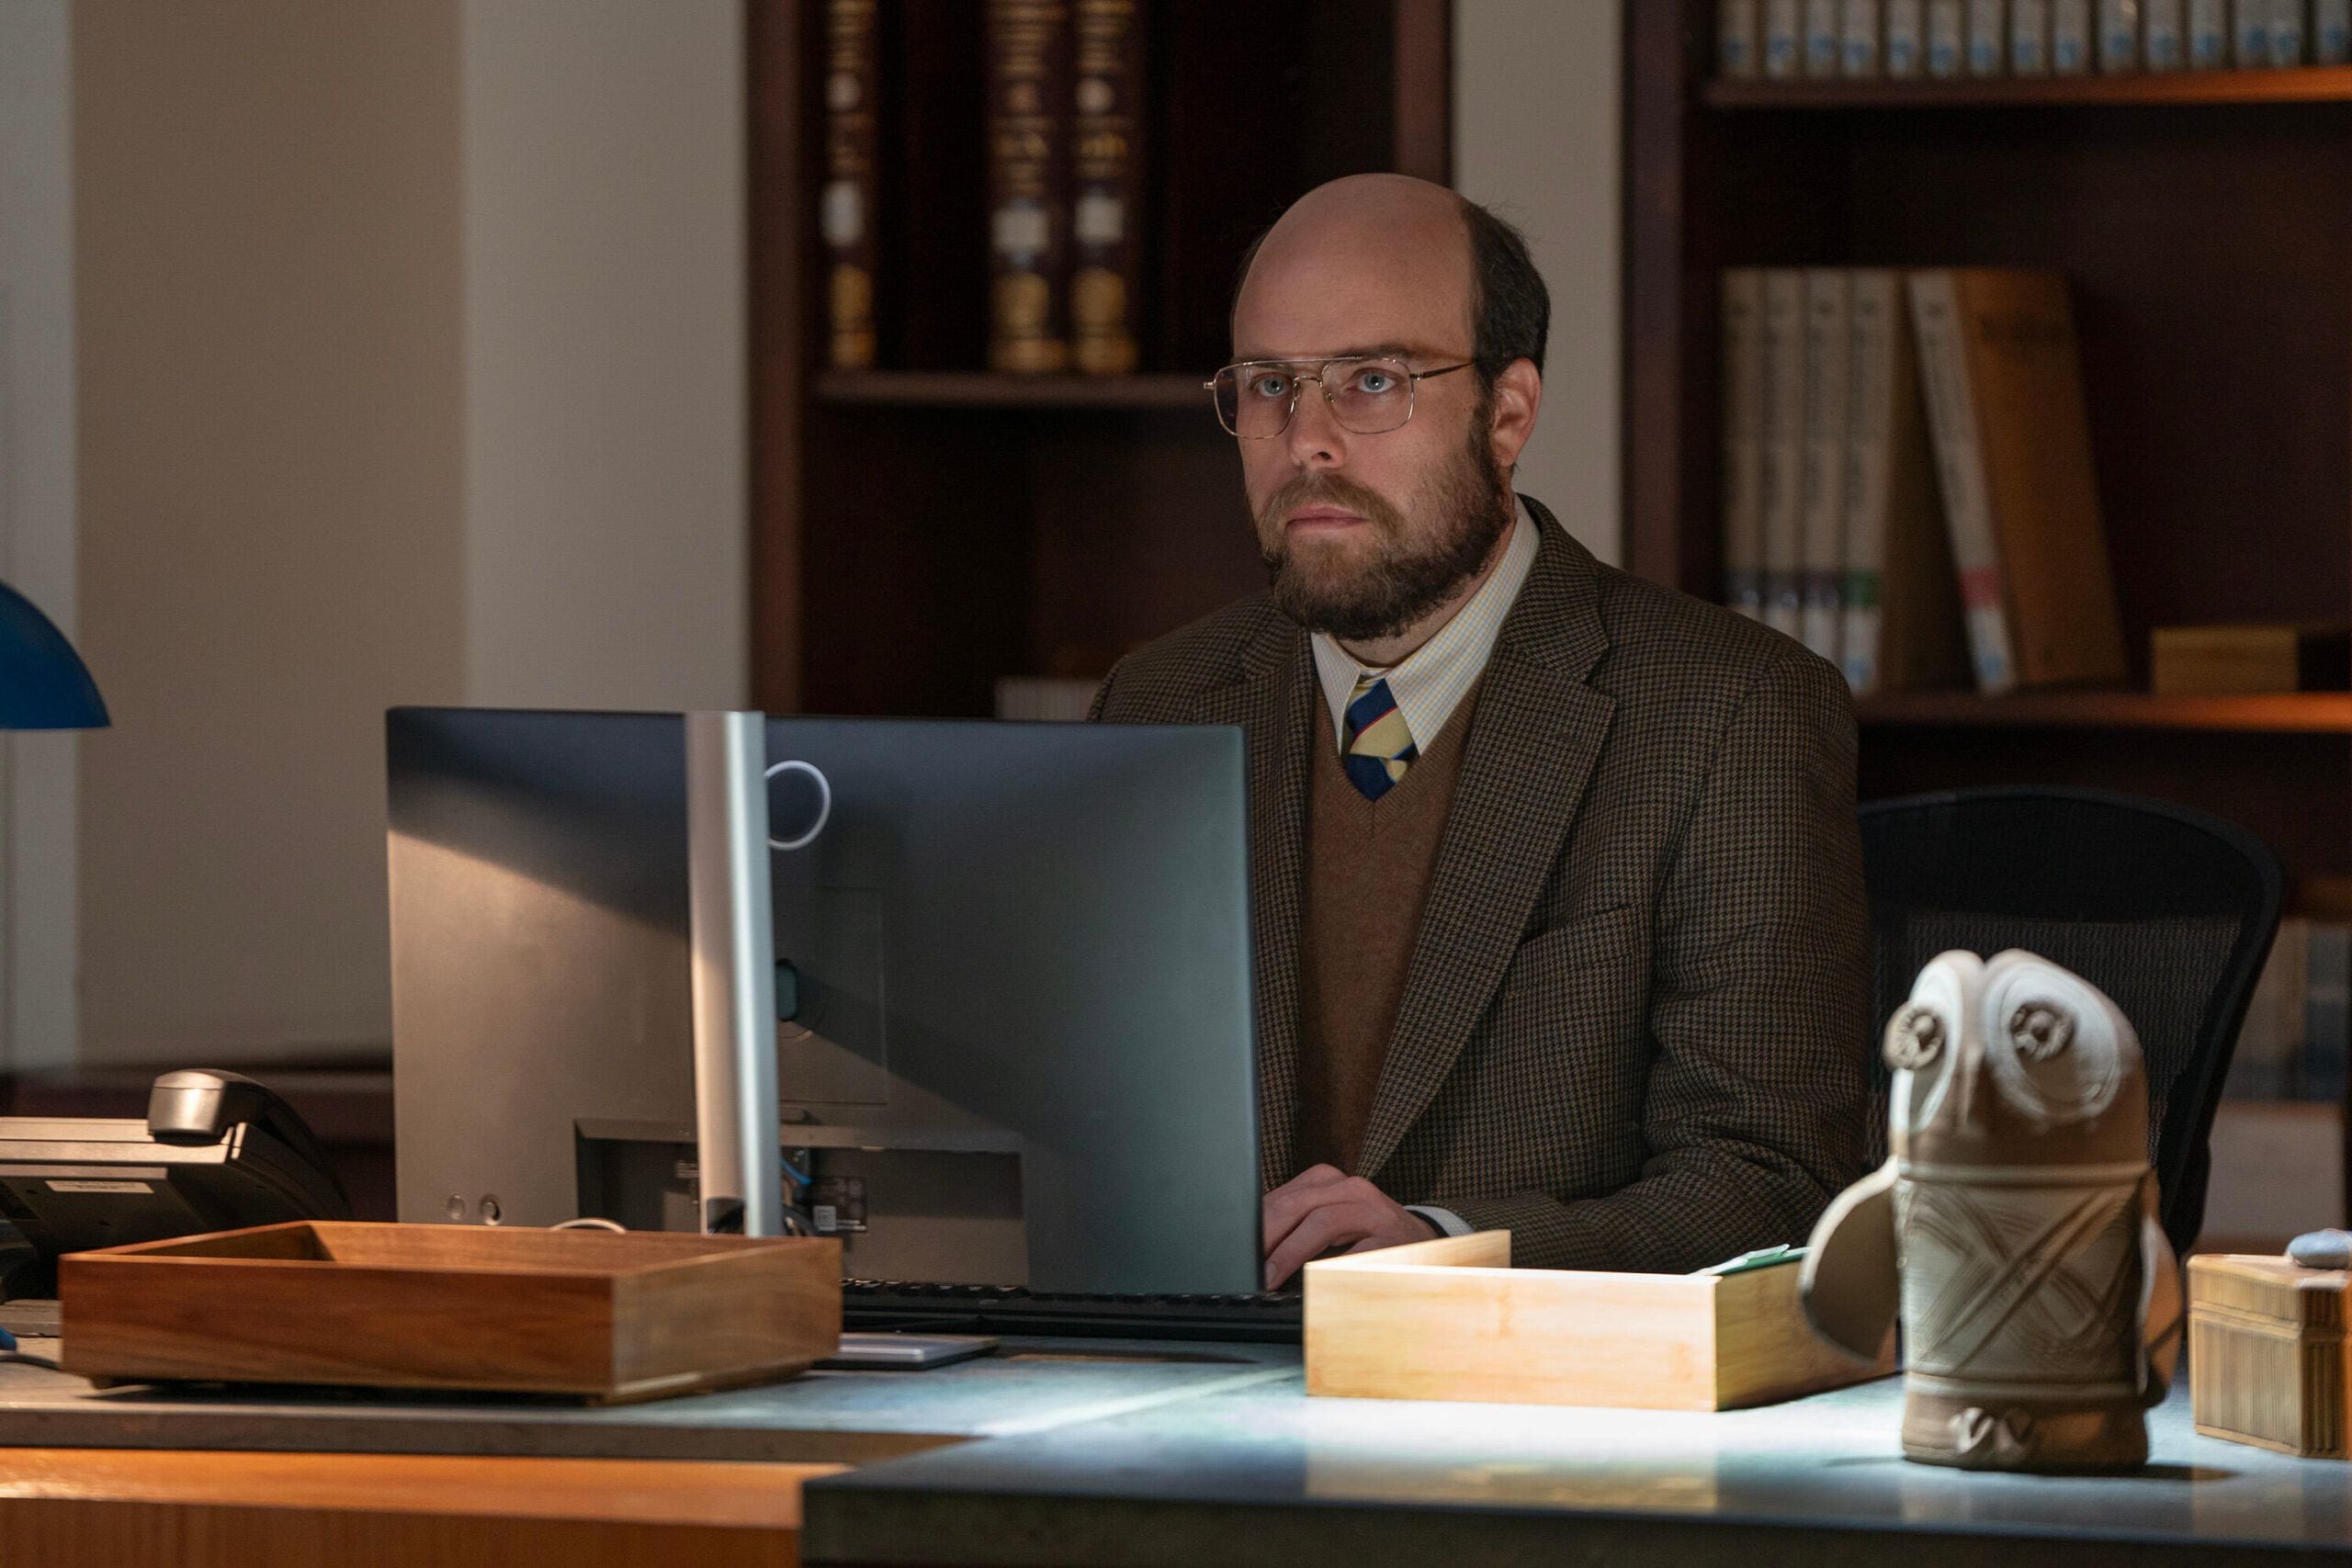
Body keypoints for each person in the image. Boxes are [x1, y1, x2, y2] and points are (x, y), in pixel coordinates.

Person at [1091, 175, 1869, 1288]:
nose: (1305, 441)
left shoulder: (1729, 713)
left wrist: (1448, 1253)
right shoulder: (1158, 703)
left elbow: (1772, 1183)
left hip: (1533, 1415)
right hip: (1182, 1390)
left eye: (1371, 382)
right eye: (1269, 385)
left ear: (1508, 413)